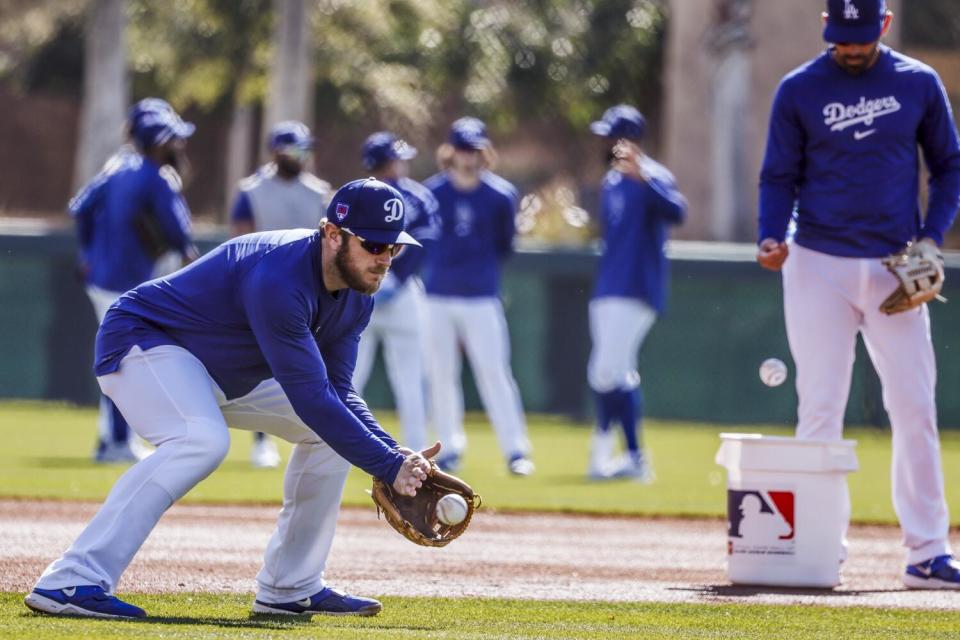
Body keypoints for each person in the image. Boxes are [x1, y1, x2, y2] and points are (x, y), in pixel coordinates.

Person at [24, 178, 438, 619]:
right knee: (201, 440)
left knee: (331, 438)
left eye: (394, 248)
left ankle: (289, 586)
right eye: (374, 244)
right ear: (332, 234)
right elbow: (311, 397)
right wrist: (387, 465)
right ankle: (73, 579)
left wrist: (395, 455)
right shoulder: (280, 276)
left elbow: (338, 391)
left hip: (218, 372)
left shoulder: (357, 295)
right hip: (144, 341)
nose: (383, 260)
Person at [757, 0, 960, 588]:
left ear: (885, 26)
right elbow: (778, 176)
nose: (851, 47)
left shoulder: (917, 82)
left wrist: (930, 239)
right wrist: (771, 233)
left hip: (897, 264)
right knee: (820, 407)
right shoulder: (799, 89)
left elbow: (949, 166)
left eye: (862, 36)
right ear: (827, 27)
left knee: (915, 407)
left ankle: (926, 552)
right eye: (842, 36)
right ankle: (818, 547)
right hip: (818, 261)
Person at [70, 97, 197, 464]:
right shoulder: (155, 178)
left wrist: (86, 254)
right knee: (125, 364)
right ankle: (116, 443)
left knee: (121, 360)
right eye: (174, 138)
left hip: (101, 278)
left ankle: (111, 439)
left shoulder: (117, 167)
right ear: (159, 141)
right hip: (129, 284)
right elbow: (178, 234)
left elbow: (79, 209)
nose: (180, 145)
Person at [423, 117, 533, 476]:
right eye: (462, 150)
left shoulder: (500, 196)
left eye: (474, 150)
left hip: (481, 295)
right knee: (441, 374)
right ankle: (449, 447)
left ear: (484, 152)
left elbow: (505, 245)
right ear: (450, 152)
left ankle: (516, 451)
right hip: (438, 294)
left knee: (494, 372)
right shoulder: (433, 193)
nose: (468, 158)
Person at [585, 105, 686, 481]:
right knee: (615, 374)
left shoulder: (654, 176)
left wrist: (645, 177)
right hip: (608, 286)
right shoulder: (611, 182)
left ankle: (627, 455)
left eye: (613, 137)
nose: (608, 144)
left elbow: (678, 212)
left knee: (605, 371)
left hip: (637, 288)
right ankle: (626, 457)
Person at [230, 120, 332, 468]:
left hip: (306, 287)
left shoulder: (319, 192)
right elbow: (239, 240)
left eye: (305, 148)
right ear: (276, 151)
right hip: (260, 285)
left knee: (306, 364)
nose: (301, 156)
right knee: (260, 364)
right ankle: (262, 441)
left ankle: (309, 437)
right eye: (295, 149)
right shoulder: (251, 190)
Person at [352, 131, 440, 451]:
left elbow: (425, 243)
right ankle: (338, 444)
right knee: (348, 377)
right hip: (364, 293)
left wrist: (395, 278)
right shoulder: (358, 196)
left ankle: (417, 451)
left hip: (396, 294)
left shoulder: (412, 197)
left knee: (410, 380)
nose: (398, 166)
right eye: (393, 159)